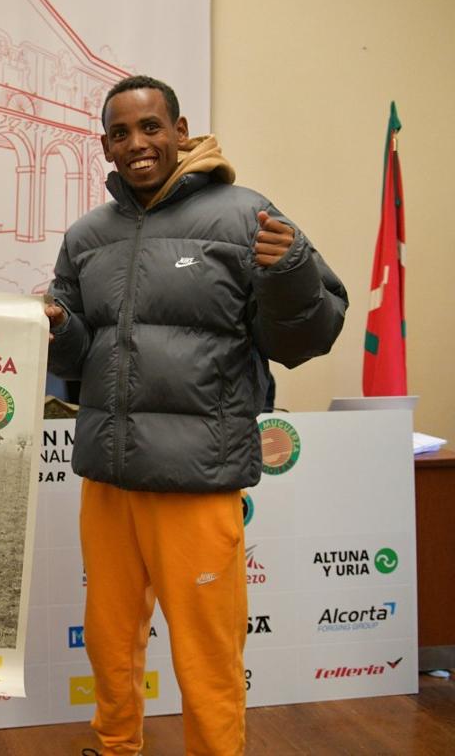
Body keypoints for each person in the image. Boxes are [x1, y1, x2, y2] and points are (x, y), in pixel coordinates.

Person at [46, 76, 347, 756]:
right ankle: (114, 744)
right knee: (108, 639)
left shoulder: (245, 215)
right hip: (109, 476)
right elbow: (76, 355)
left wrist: (294, 272)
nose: (138, 144)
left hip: (197, 477)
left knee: (208, 652)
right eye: (121, 133)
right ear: (106, 146)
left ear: (181, 131)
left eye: (151, 126)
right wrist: (59, 328)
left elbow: (305, 339)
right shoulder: (86, 236)